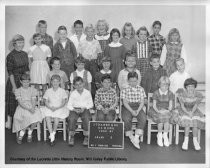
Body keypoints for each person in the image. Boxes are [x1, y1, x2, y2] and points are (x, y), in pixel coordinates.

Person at [171, 78, 205, 151]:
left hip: (194, 110)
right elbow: (182, 106)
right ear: (186, 87)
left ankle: (195, 140)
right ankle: (185, 140)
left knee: (195, 122)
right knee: (187, 122)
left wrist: (192, 112)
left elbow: (196, 105)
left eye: (192, 86)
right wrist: (187, 113)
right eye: (189, 86)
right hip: (184, 110)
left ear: (195, 86)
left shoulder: (197, 94)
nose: (190, 88)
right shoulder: (182, 94)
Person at [5, 34, 30, 129]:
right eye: (19, 42)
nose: (21, 44)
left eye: (22, 42)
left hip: (24, 80)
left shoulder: (24, 54)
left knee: (24, 102)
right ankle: (14, 124)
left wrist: (27, 81)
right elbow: (10, 72)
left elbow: (27, 69)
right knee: (14, 104)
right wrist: (14, 86)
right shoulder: (10, 55)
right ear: (14, 43)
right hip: (14, 81)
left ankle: (23, 124)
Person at [12, 73, 43, 144]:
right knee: (27, 116)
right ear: (21, 82)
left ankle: (30, 132)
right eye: (24, 82)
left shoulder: (32, 90)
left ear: (29, 82)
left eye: (27, 82)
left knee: (37, 115)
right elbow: (20, 103)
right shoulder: (18, 91)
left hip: (31, 106)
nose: (26, 83)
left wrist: (32, 107)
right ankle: (22, 133)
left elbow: (34, 100)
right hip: (22, 107)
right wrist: (29, 109)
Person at [121, 72, 146, 149]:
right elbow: (125, 102)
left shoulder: (141, 89)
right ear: (128, 81)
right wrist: (131, 111)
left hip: (138, 106)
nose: (133, 83)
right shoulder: (124, 89)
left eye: (135, 81)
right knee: (126, 118)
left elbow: (142, 101)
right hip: (128, 107)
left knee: (143, 118)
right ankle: (131, 136)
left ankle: (136, 137)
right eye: (131, 81)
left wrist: (138, 110)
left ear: (137, 80)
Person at [42, 74, 69, 146]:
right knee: (47, 118)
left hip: (59, 107)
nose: (55, 83)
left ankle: (53, 133)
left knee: (56, 119)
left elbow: (64, 102)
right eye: (53, 81)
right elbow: (45, 101)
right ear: (51, 82)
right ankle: (52, 135)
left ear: (60, 82)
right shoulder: (48, 91)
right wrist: (50, 107)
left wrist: (57, 108)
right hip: (49, 107)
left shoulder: (62, 91)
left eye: (57, 81)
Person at [147, 76, 174, 147]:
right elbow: (154, 106)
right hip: (156, 110)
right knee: (161, 119)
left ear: (168, 85)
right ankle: (159, 135)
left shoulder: (170, 93)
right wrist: (159, 111)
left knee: (167, 118)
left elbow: (171, 106)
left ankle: (165, 135)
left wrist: (167, 110)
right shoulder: (156, 93)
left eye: (166, 85)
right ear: (159, 84)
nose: (164, 87)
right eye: (162, 85)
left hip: (166, 109)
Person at [67, 76, 93, 146]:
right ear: (74, 86)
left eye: (80, 84)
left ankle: (86, 136)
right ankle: (72, 136)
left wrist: (85, 108)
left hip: (84, 108)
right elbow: (69, 105)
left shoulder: (87, 92)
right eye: (77, 85)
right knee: (71, 118)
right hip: (74, 109)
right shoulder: (72, 93)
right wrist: (74, 109)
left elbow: (91, 104)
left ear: (83, 84)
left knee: (86, 118)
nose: (79, 86)